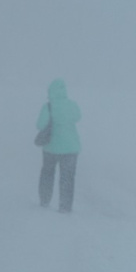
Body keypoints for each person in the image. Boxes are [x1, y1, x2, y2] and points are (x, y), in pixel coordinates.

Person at [36, 78, 81, 213]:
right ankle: (65, 206)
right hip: (71, 148)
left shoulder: (48, 107)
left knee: (47, 174)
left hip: (51, 148)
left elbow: (39, 125)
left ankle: (45, 201)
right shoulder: (73, 105)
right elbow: (78, 117)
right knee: (67, 177)